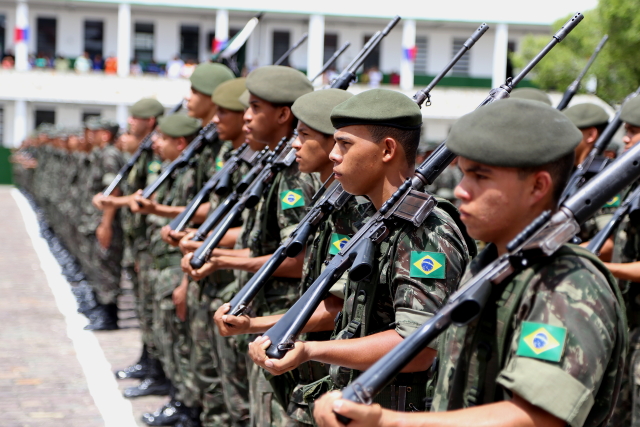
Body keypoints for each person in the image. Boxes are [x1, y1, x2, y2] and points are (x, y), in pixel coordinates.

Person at [312, 98, 627, 427]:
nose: (461, 190)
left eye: (480, 176)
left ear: (538, 186)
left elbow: (537, 416)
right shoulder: (492, 268)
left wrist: (388, 421)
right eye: (463, 174)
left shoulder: (566, 285)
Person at [247, 88, 473, 415]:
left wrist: (310, 350)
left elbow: (418, 346)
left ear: (387, 150)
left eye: (345, 144)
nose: (334, 155)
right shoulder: (371, 219)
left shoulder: (425, 230)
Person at [212, 88, 358, 426]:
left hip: (314, 359)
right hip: (296, 347)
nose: (295, 144)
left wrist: (258, 325)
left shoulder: (351, 209)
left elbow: (336, 304)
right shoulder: (327, 199)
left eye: (304, 135)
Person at [182, 65, 317, 426]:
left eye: (255, 107)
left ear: (283, 115)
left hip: (278, 318)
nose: (246, 115)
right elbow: (256, 242)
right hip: (258, 310)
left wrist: (224, 259)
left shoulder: (295, 179)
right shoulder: (274, 166)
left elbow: (297, 259)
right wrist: (217, 254)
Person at [92, 98, 165, 383]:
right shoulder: (143, 150)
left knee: (152, 310)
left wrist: (112, 203)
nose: (130, 122)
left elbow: (147, 197)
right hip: (140, 242)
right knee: (144, 308)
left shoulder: (157, 152)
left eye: (136, 117)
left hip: (152, 244)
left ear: (150, 121)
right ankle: (147, 362)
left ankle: (156, 370)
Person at [598, 95, 640, 427]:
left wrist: (600, 268)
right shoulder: (633, 185)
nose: (626, 139)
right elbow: (615, 243)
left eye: (633, 131)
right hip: (629, 326)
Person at [563, 103, 612, 243]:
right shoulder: (567, 171)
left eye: (566, 131)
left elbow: (608, 243)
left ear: (591, 135)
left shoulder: (605, 176)